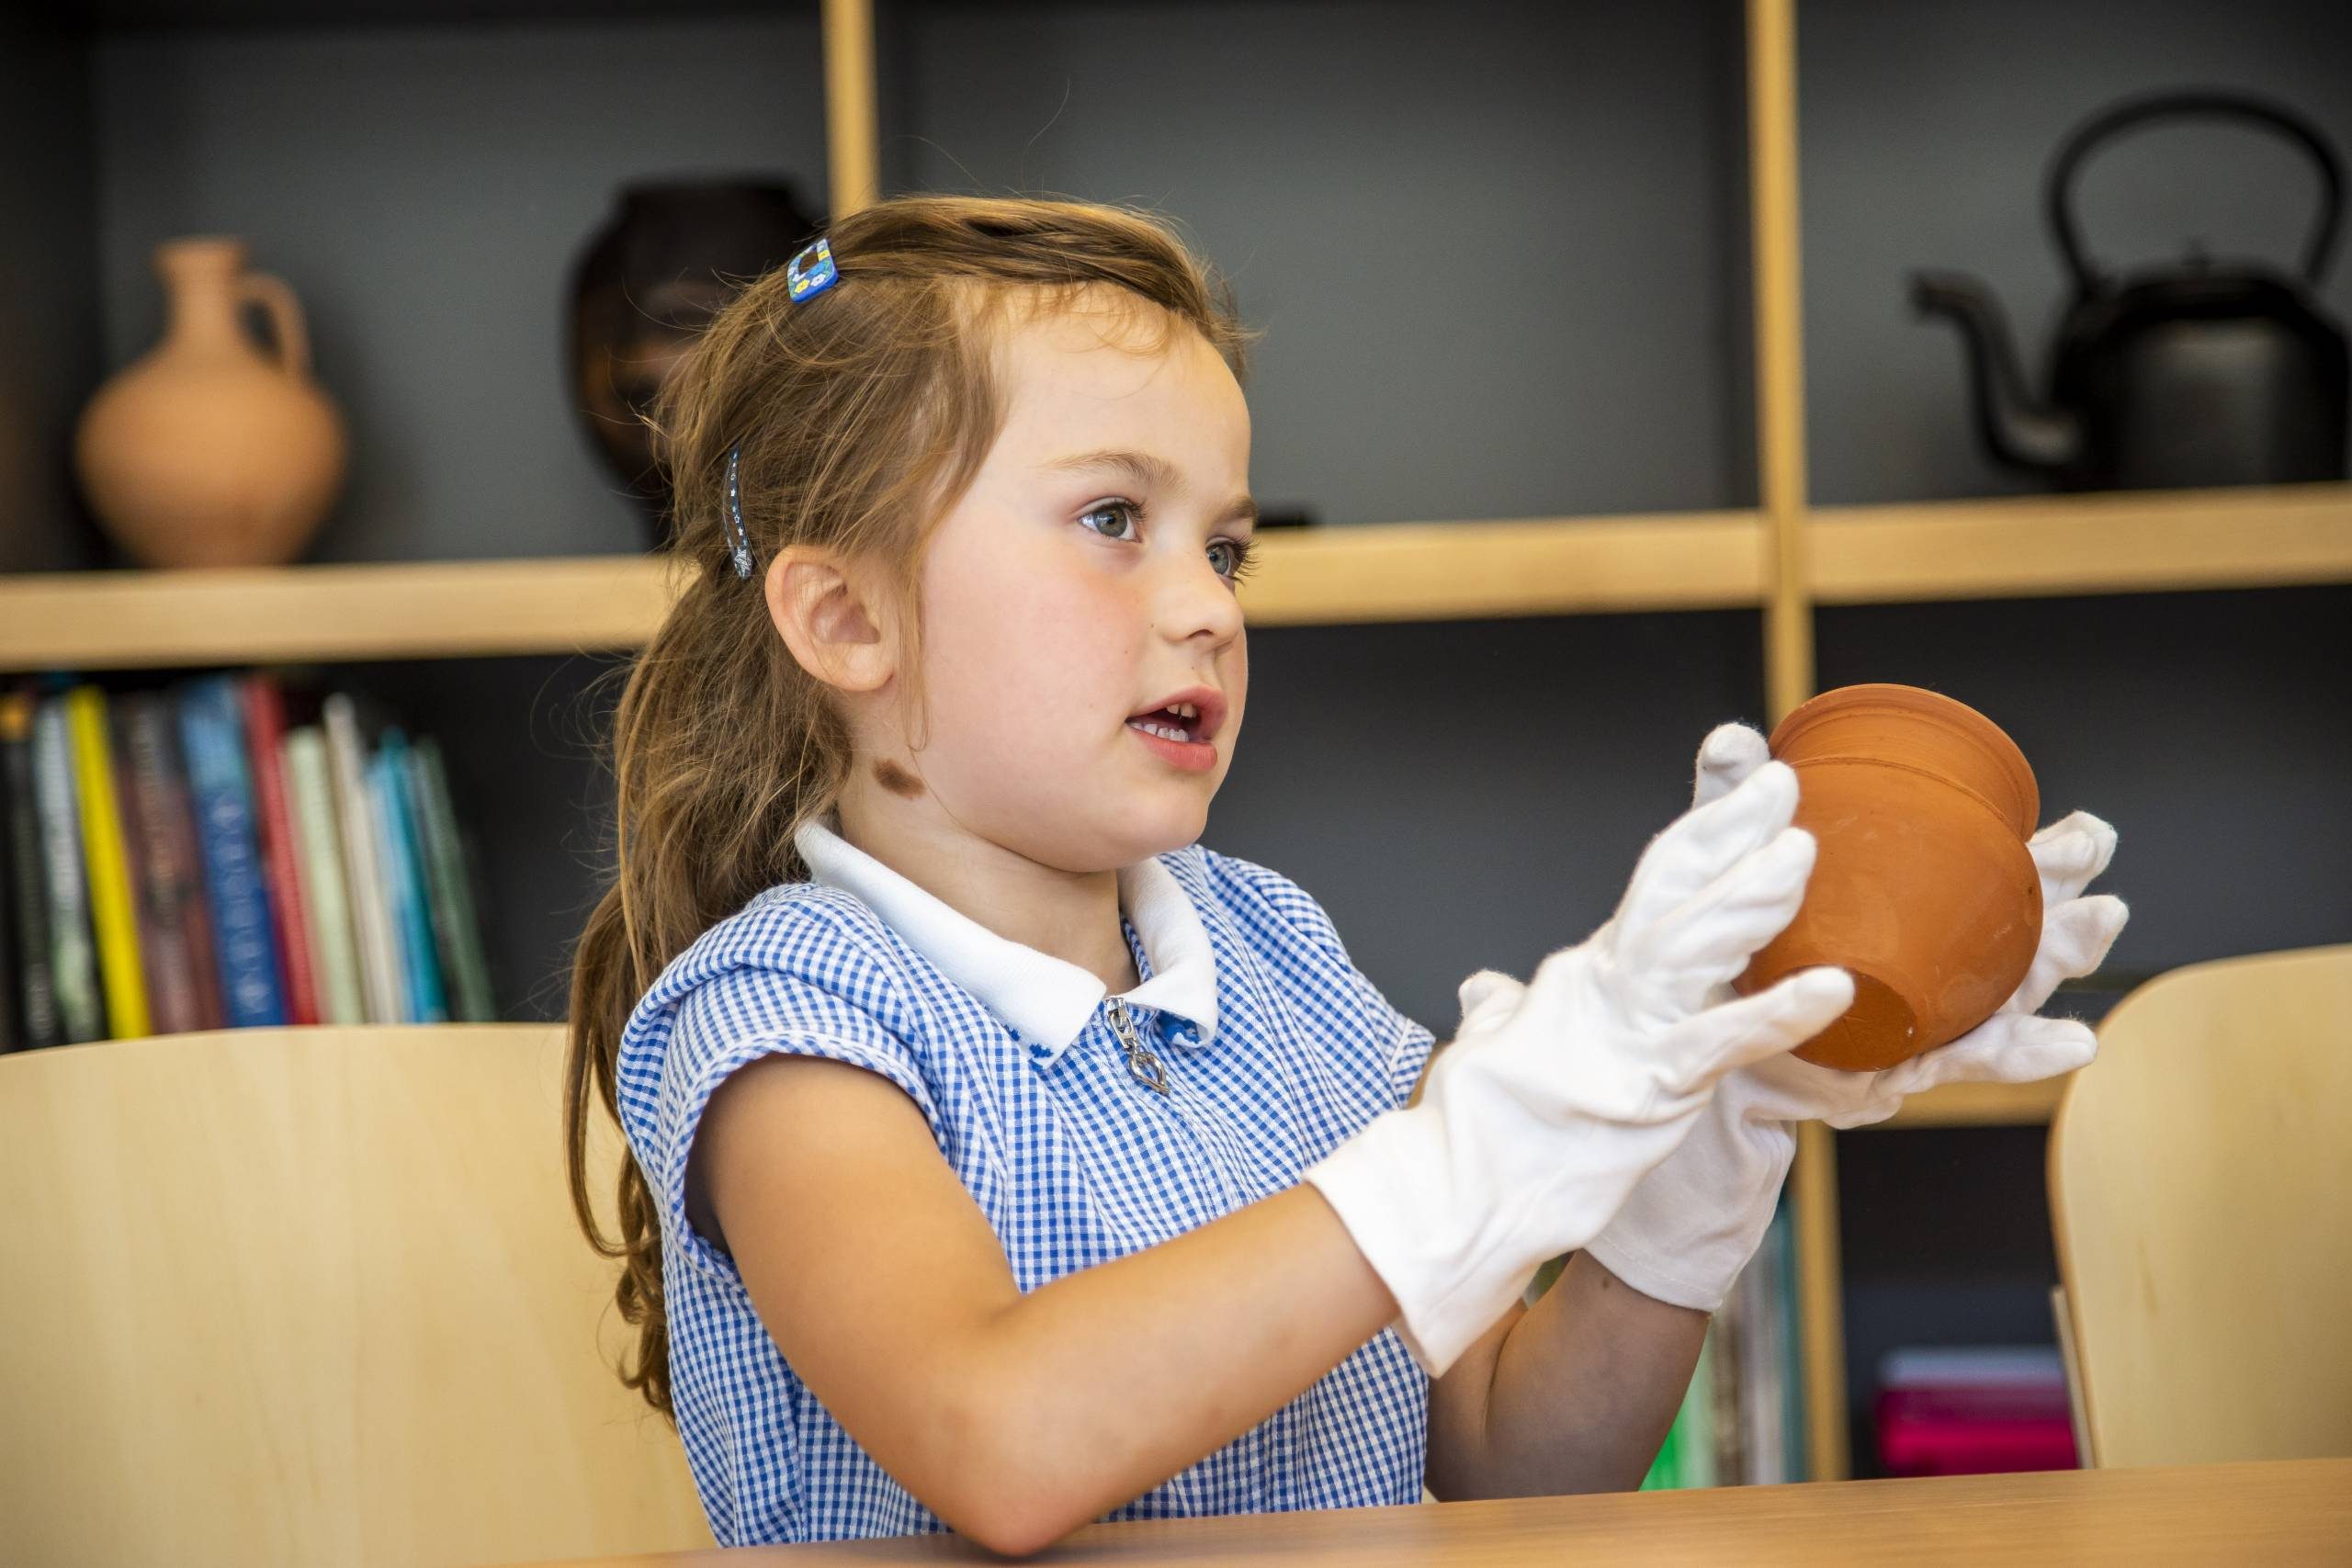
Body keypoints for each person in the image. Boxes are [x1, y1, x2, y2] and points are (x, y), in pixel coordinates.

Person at [561, 194, 2127, 1553]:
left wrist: (1707, 1139)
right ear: (846, 622)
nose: (1209, 608)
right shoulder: (783, 1023)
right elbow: (1004, 1441)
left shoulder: (1275, 954)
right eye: (1115, 519)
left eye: (1225, 549)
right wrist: (1473, 1153)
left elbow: (1519, 1469)